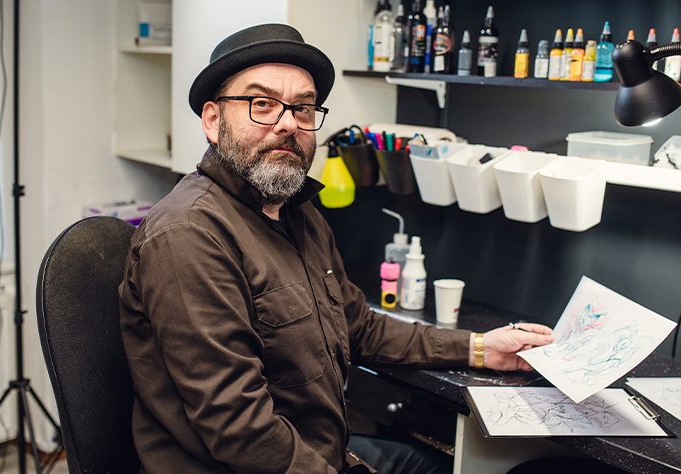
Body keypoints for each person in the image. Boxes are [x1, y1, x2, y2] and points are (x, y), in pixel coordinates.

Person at [118, 23, 554, 473]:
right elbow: (241, 430)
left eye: (303, 108)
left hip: (325, 453)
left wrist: (482, 348)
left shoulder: (298, 213)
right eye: (262, 104)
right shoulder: (189, 234)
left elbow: (359, 327)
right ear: (213, 120)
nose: (288, 123)